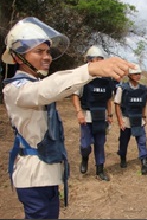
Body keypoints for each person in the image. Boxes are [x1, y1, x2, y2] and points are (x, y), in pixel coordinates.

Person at [2, 17, 134, 219]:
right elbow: (46, 89)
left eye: (48, 52)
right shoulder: (16, 89)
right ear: (18, 57)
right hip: (33, 177)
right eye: (39, 52)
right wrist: (90, 69)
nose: (47, 57)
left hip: (46, 174)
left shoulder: (34, 82)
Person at [72, 45, 115, 181]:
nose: (99, 62)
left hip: (101, 116)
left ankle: (100, 170)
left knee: (100, 143)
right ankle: (85, 159)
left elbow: (108, 98)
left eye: (101, 59)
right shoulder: (83, 77)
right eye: (96, 59)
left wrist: (110, 114)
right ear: (89, 61)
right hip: (86, 115)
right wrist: (79, 112)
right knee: (85, 145)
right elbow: (75, 96)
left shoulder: (107, 79)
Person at [114, 64, 147, 174]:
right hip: (126, 118)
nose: (138, 76)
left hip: (138, 118)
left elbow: (143, 105)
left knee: (142, 141)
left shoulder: (143, 89)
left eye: (139, 74)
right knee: (124, 141)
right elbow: (117, 104)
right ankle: (123, 158)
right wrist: (119, 120)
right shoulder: (122, 88)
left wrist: (144, 117)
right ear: (130, 75)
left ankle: (144, 163)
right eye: (136, 74)